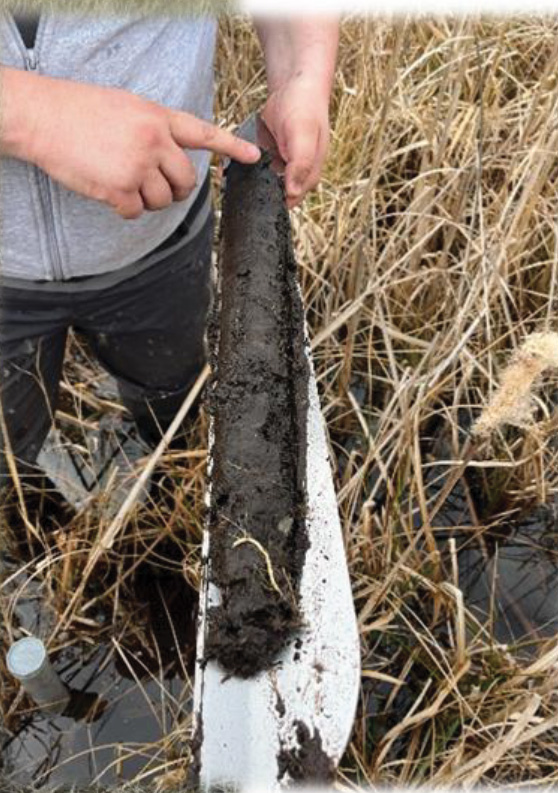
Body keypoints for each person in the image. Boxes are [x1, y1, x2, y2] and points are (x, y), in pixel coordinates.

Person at [0, 9, 339, 493]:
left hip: (164, 243)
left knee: (174, 405)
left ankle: (171, 476)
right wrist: (31, 116)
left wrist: (301, 73)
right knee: (6, 460)